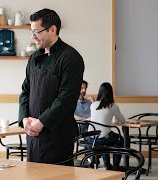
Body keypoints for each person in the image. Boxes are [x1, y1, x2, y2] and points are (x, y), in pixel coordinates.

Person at [18, 8, 84, 165]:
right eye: (31, 32)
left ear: (52, 30)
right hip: (33, 135)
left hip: (57, 135)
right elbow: (25, 91)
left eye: (37, 32)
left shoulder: (70, 57)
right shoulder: (34, 57)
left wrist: (41, 122)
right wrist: (25, 119)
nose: (33, 37)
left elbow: (66, 98)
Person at [87, 82, 125, 171]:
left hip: (90, 138)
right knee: (120, 139)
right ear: (110, 93)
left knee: (106, 136)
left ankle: (107, 165)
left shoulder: (93, 105)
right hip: (102, 138)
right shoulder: (113, 106)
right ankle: (116, 166)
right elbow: (122, 120)